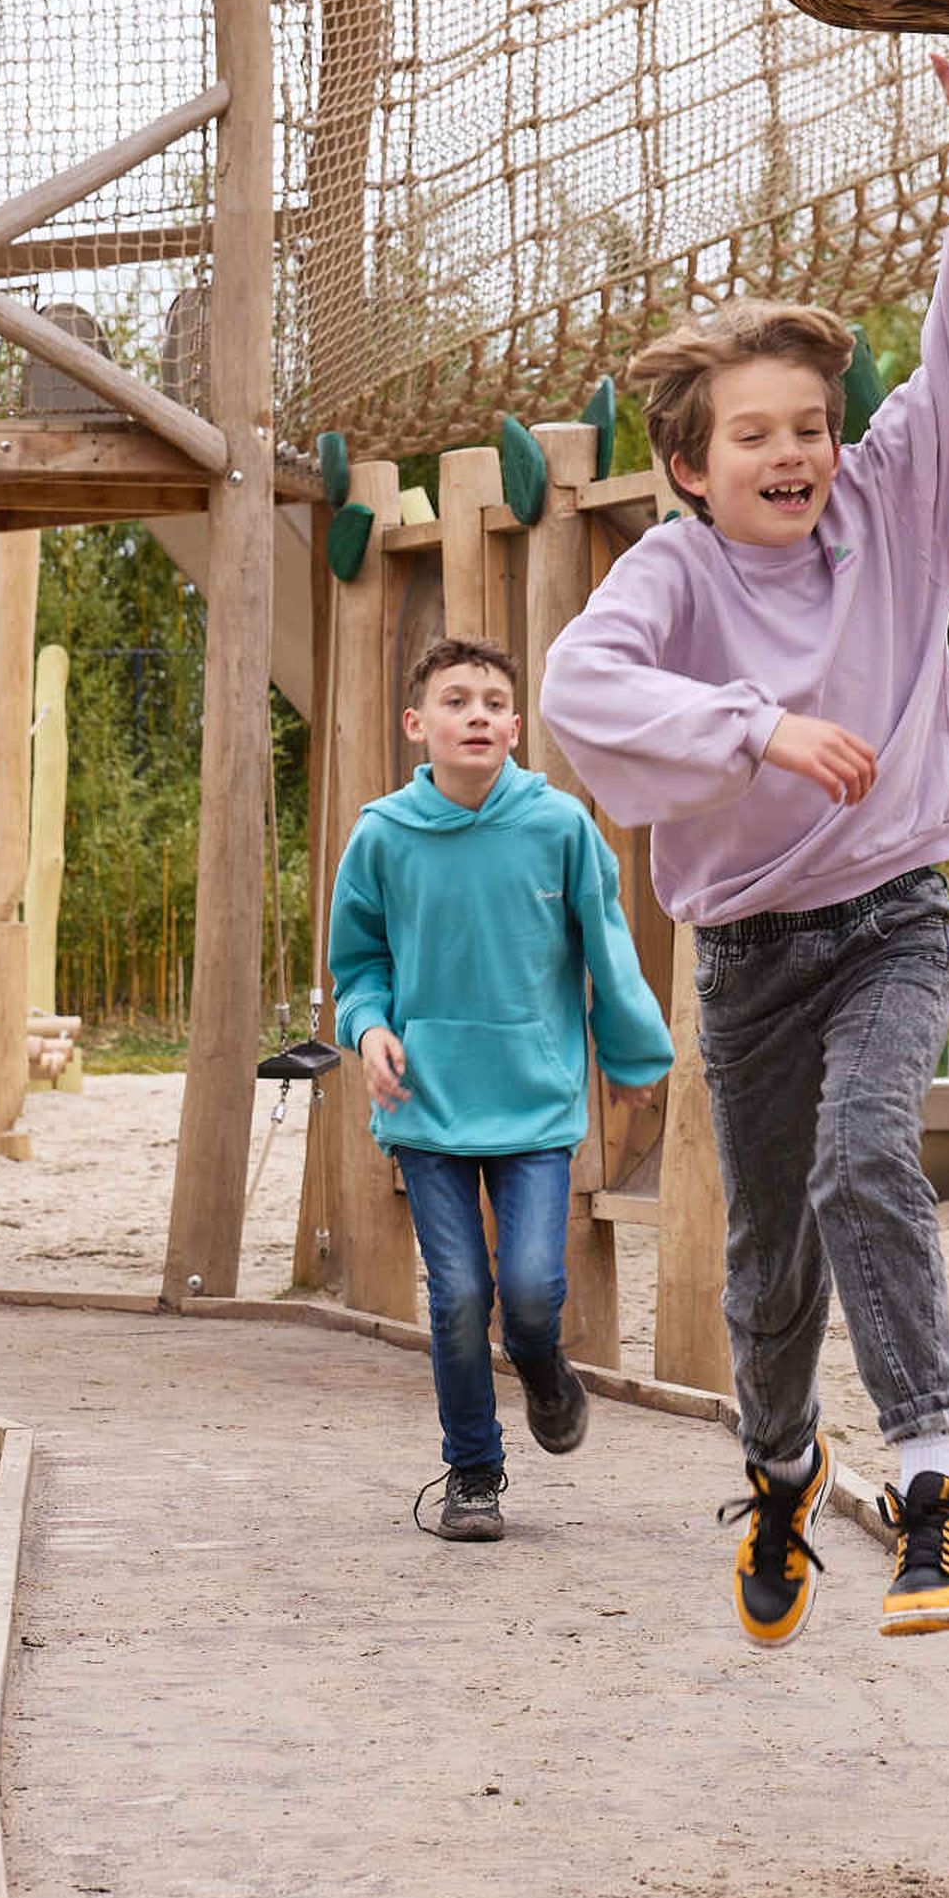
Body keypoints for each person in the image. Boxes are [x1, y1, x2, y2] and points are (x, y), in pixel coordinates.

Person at [540, 33, 949, 1643]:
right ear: (692, 467)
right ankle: (779, 1470)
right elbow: (579, 692)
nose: (792, 457)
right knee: (765, 1258)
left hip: (889, 917)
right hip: (749, 954)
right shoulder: (675, 577)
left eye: (812, 426)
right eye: (754, 435)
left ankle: (935, 1488)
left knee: (862, 1158)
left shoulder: (900, 511)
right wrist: (755, 728)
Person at [327, 635, 676, 1544]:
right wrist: (369, 1030)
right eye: (456, 701)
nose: (475, 715)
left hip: (535, 1103)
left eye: (492, 703)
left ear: (516, 728)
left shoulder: (560, 827)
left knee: (526, 1290)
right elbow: (357, 966)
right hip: (425, 1105)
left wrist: (632, 1055)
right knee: (455, 1298)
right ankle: (474, 1472)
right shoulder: (381, 836)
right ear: (417, 724)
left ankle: (542, 1365)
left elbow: (608, 946)